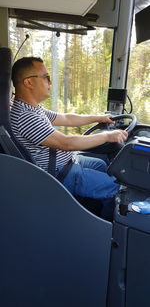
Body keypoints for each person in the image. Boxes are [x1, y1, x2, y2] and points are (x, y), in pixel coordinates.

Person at [10, 57, 128, 221]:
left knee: (101, 164)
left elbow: (66, 118)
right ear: (29, 82)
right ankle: (108, 229)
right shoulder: (25, 116)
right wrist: (108, 135)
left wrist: (99, 117)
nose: (50, 82)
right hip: (59, 173)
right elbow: (66, 143)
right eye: (46, 77)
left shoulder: (32, 108)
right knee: (119, 190)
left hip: (68, 162)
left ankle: (92, 207)